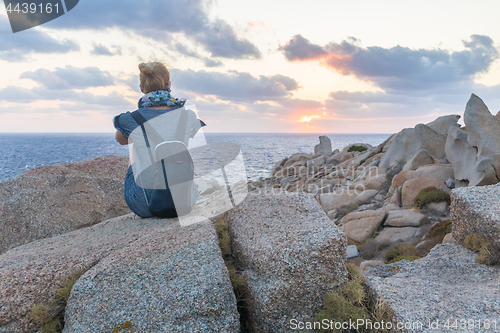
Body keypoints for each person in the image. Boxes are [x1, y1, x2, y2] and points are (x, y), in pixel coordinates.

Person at [114, 61, 204, 218]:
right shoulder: (188, 116)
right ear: (169, 85)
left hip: (145, 205)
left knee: (135, 143)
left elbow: (121, 140)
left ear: (142, 89)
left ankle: (146, 197)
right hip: (184, 201)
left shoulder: (130, 119)